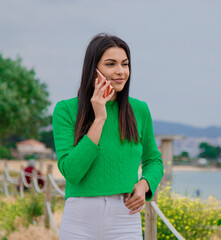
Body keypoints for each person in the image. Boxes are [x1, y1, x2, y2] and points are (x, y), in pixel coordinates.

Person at [52, 33, 164, 240]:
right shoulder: (66, 110)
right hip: (79, 218)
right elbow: (72, 172)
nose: (120, 71)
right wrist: (99, 118)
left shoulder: (139, 110)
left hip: (125, 216)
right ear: (93, 68)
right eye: (111, 64)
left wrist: (145, 184)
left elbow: (153, 160)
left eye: (125, 64)